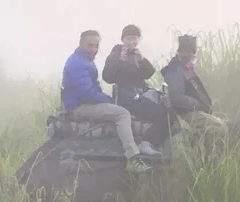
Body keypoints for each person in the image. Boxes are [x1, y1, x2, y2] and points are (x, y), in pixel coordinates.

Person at [62, 31, 150, 172]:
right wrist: (111, 102)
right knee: (122, 114)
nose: (94, 49)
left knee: (118, 109)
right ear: (81, 43)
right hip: (80, 106)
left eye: (96, 46)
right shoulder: (77, 64)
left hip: (85, 102)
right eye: (90, 45)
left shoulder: (83, 60)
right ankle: (133, 157)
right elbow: (88, 93)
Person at [101, 24, 173, 155]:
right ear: (123, 39)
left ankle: (154, 142)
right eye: (128, 39)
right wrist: (120, 60)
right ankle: (147, 143)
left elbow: (149, 73)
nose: (131, 42)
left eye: (134, 38)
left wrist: (142, 60)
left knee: (169, 110)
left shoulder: (136, 54)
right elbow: (107, 77)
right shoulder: (116, 53)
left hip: (141, 93)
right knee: (165, 115)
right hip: (127, 96)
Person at [161, 34, 226, 132]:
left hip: (197, 110)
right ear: (181, 51)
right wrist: (198, 105)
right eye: (188, 51)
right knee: (220, 126)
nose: (191, 54)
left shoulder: (187, 67)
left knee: (223, 120)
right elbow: (176, 97)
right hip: (185, 114)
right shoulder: (174, 70)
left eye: (192, 51)